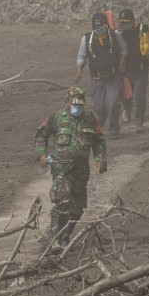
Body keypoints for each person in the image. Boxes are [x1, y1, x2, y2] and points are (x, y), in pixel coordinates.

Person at [34, 86, 107, 249]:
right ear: (66, 103)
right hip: (61, 169)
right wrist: (41, 154)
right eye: (74, 105)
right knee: (62, 203)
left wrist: (100, 158)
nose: (77, 108)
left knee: (78, 208)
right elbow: (40, 135)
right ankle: (54, 240)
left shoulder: (90, 119)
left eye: (80, 105)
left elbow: (99, 141)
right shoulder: (56, 118)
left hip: (81, 172)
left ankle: (65, 236)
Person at [75, 11, 127, 137]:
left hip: (113, 76)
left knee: (113, 102)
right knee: (99, 106)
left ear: (106, 25)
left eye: (101, 27)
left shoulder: (115, 35)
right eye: (96, 27)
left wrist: (121, 64)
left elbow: (124, 49)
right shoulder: (86, 39)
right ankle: (102, 117)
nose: (99, 29)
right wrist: (79, 73)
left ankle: (114, 127)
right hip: (96, 78)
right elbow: (81, 57)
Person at [115, 8, 149, 132]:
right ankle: (127, 110)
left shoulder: (143, 28)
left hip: (141, 68)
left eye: (127, 22)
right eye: (122, 22)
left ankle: (139, 120)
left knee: (139, 96)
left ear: (133, 20)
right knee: (126, 95)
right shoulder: (118, 33)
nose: (125, 25)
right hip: (126, 70)